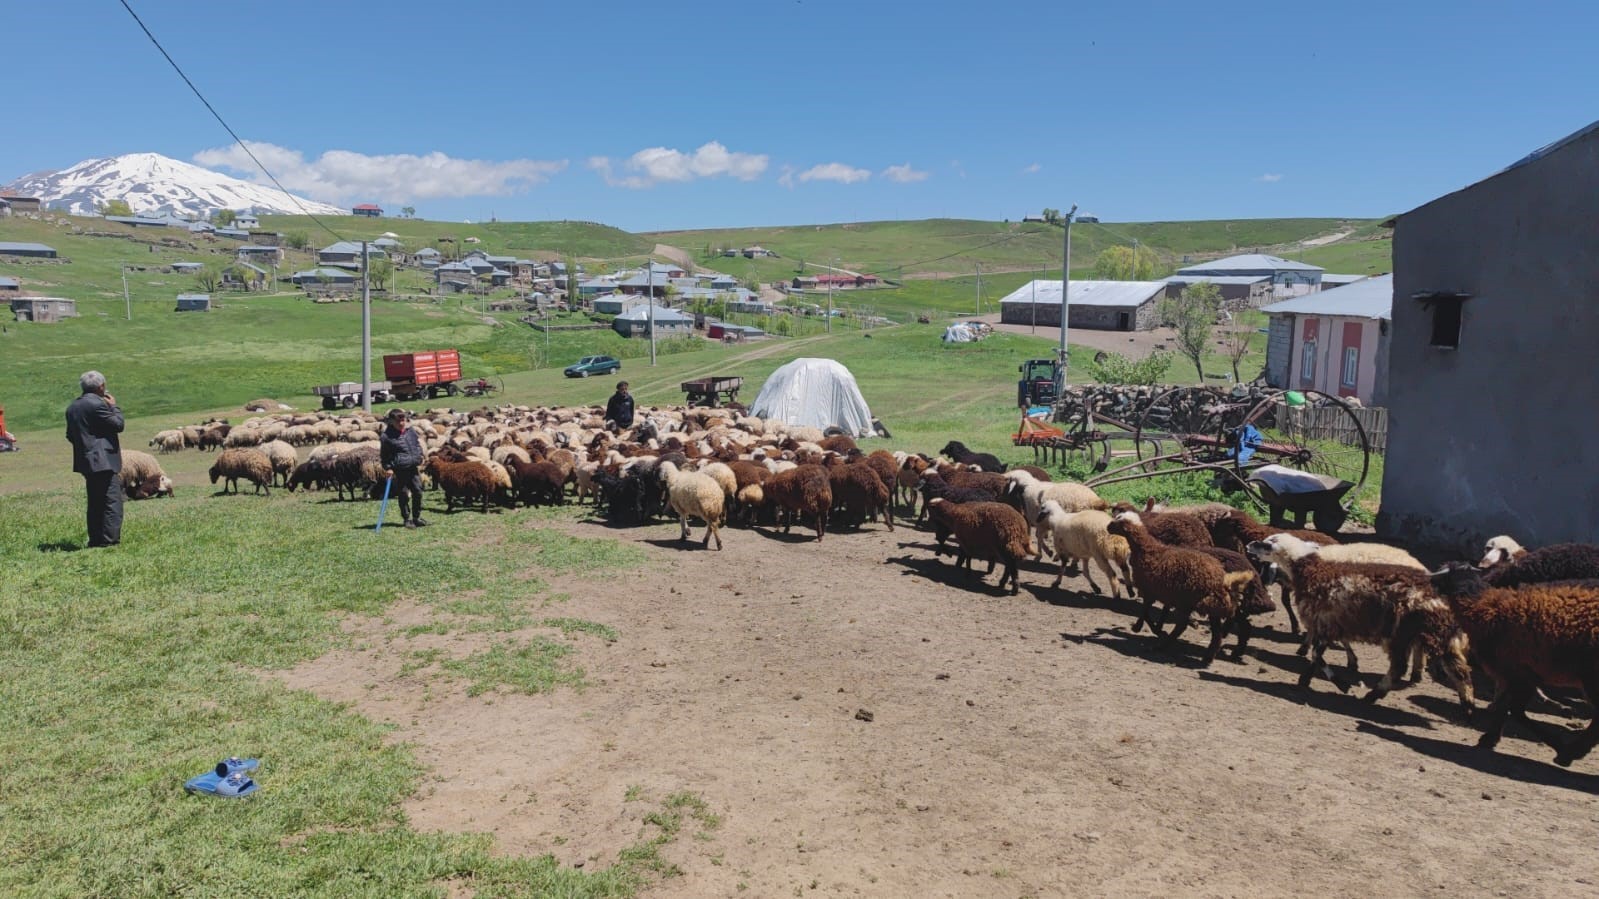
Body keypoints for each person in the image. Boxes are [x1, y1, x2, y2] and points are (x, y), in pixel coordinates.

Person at [65, 370, 124, 548]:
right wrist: (114, 406)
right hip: (104, 460)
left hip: (86, 460)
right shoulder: (99, 405)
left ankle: (95, 539)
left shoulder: (72, 407)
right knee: (112, 501)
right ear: (101, 387)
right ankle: (109, 540)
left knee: (95, 501)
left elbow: (70, 435)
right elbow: (118, 425)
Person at [379, 407, 427, 529]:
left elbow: (416, 444)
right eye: (398, 421)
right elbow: (384, 455)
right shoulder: (387, 437)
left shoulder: (410, 431)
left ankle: (417, 517)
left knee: (418, 491)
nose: (401, 423)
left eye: (403, 420)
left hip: (413, 466)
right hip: (400, 469)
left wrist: (420, 455)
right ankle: (407, 519)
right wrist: (388, 468)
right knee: (404, 494)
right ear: (391, 422)